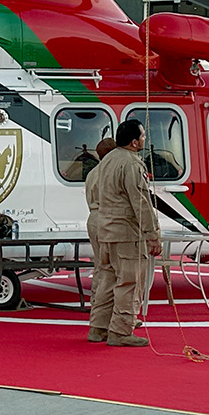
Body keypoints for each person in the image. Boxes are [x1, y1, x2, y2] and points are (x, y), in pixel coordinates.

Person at [88, 119, 161, 348]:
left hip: (106, 230)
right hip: (126, 233)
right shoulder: (131, 163)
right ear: (133, 141)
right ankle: (120, 330)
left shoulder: (108, 160)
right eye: (142, 136)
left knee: (107, 279)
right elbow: (140, 202)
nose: (144, 139)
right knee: (129, 281)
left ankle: (98, 327)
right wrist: (153, 234)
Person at [82, 136, 119, 321]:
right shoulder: (112, 171)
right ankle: (114, 314)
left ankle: (96, 306)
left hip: (93, 218)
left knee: (100, 265)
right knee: (115, 268)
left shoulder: (92, 172)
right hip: (109, 218)